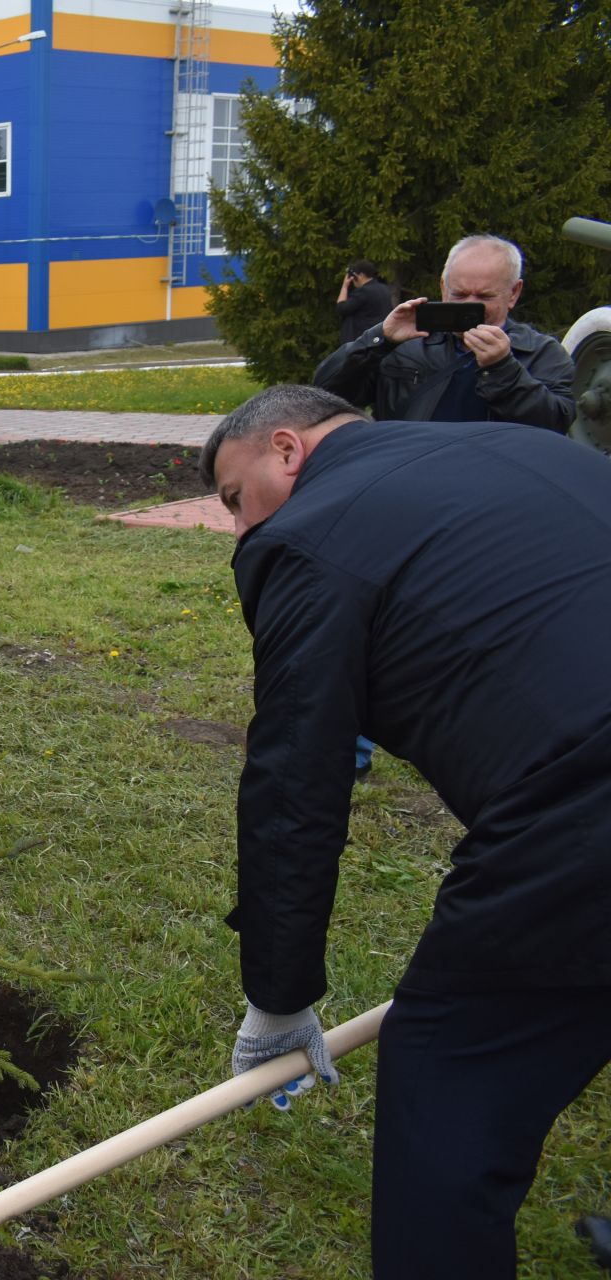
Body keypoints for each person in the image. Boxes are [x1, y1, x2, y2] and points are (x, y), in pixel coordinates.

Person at [201, 383, 611, 1278]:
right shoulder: (519, 448)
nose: (242, 532)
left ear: (286, 450)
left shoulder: (308, 538)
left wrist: (278, 999)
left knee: (451, 1065)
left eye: (235, 501)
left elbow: (295, 783)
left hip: (586, 808)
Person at [312, 234, 574, 432]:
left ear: (513, 293)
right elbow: (325, 394)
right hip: (410, 482)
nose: (470, 305)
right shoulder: (406, 344)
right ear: (442, 286)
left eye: (484, 296)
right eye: (458, 294)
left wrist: (503, 369)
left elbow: (555, 426)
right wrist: (380, 338)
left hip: (495, 493)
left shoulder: (542, 353)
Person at [334, 259, 392, 343]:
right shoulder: (384, 289)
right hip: (379, 337)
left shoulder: (364, 291)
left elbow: (341, 308)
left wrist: (345, 286)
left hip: (363, 340)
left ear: (361, 275)